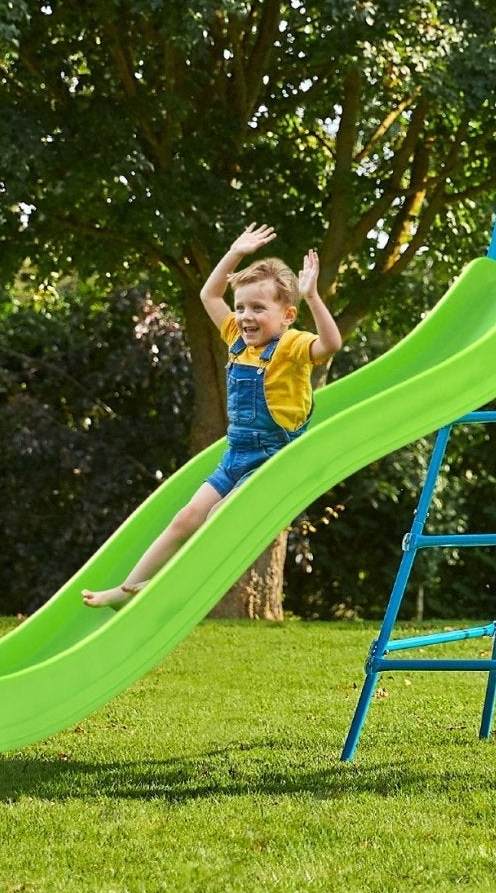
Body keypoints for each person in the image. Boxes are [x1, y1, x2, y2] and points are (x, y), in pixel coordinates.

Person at [83, 225, 343, 607]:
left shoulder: (291, 345)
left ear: (287, 315)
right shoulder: (236, 337)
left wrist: (312, 296)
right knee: (186, 517)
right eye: (240, 307)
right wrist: (236, 252)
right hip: (237, 454)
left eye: (258, 308)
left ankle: (163, 585)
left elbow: (332, 344)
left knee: (219, 516)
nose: (244, 316)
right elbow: (209, 293)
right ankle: (124, 591)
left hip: (274, 457)